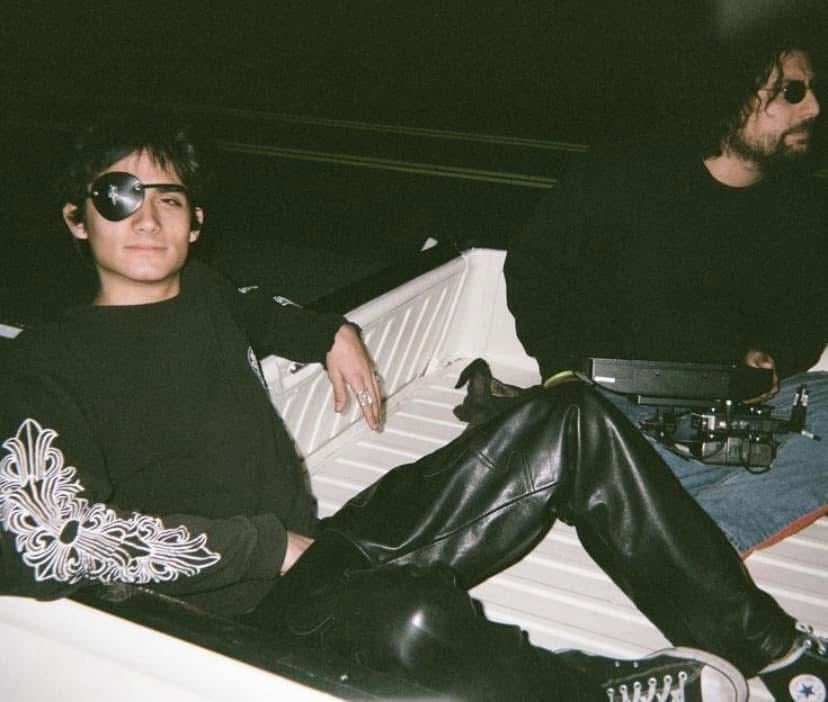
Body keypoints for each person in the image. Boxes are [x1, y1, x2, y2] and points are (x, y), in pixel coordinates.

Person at [0, 114, 821, 702]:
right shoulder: (43, 364)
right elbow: (42, 543)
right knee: (414, 615)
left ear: (196, 222)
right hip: (240, 617)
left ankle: (775, 652)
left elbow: (261, 309)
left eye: (169, 198)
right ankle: (593, 688)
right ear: (77, 219)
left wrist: (332, 331)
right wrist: (262, 547)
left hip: (326, 554)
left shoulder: (207, 294)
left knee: (569, 414)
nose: (147, 217)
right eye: (118, 196)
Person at [505, 30, 828, 700]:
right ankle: (669, 530)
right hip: (618, 403)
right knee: (593, 439)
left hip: (732, 406)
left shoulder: (802, 205)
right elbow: (535, 270)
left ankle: (671, 535)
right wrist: (562, 373)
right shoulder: (625, 173)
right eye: (792, 92)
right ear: (735, 98)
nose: (814, 108)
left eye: (812, 90)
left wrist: (772, 356)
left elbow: (806, 318)